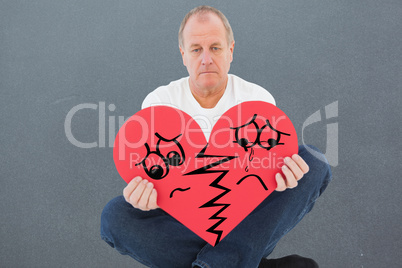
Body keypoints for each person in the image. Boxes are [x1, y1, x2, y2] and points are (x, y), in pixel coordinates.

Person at [101, 5, 332, 268]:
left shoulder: (257, 101)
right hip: (185, 222)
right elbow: (160, 184)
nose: (206, 59)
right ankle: (232, 262)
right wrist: (144, 198)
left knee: (314, 162)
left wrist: (280, 180)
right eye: (196, 49)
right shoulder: (158, 105)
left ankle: (219, 262)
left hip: (245, 219)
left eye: (215, 48)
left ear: (230, 51)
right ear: (183, 55)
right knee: (115, 216)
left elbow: (260, 187)